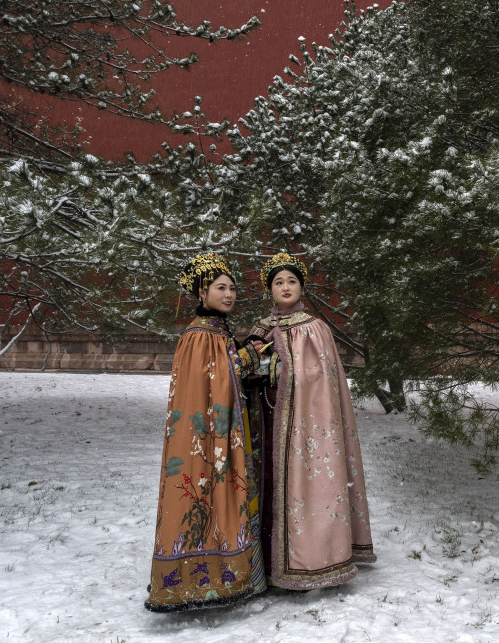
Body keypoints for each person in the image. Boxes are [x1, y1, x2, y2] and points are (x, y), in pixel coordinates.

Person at [145, 252, 266, 612]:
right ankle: (201, 580)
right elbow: (209, 385)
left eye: (232, 288)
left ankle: (230, 572)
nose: (229, 294)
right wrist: (247, 358)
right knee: (204, 495)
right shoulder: (200, 335)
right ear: (202, 292)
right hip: (206, 437)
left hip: (218, 431)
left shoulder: (216, 330)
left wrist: (242, 359)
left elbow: (223, 376)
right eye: (220, 288)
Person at [247, 252, 375, 590]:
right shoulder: (259, 330)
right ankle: (268, 564)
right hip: (268, 423)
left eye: (292, 281)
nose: (286, 287)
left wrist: (287, 375)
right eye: (278, 282)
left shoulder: (314, 329)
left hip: (306, 427)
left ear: (301, 287)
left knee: (308, 484)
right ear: (269, 289)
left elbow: (323, 384)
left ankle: (313, 559)